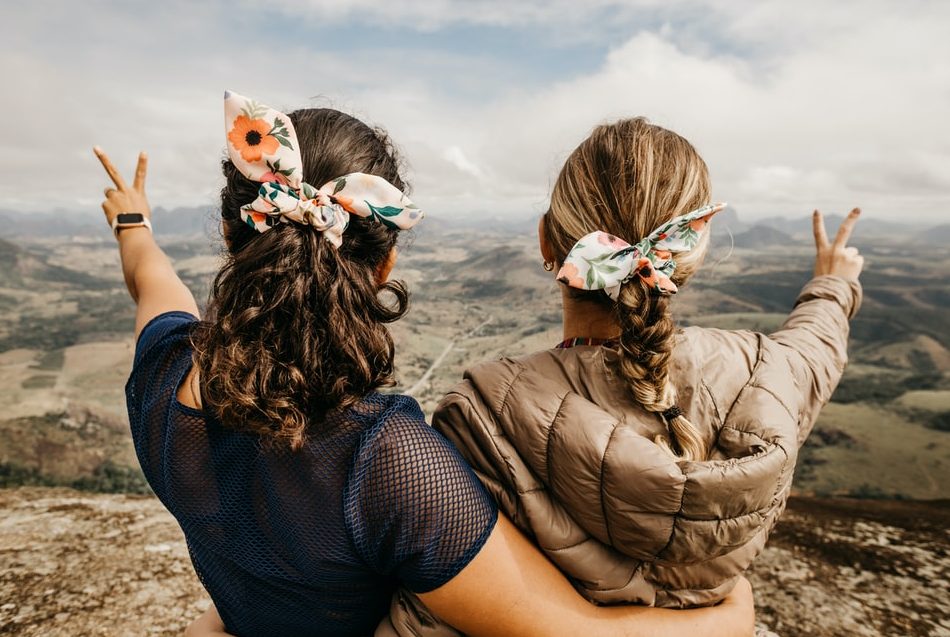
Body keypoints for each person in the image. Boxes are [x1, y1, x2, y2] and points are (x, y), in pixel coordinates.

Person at [95, 94, 755, 637]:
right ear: (384, 265)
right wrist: (730, 620)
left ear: (231, 232)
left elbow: (151, 280)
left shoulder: (163, 370)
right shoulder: (387, 464)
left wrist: (133, 221)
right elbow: (571, 630)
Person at [382, 118, 864, 635]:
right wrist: (833, 283)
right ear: (691, 253)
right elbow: (815, 347)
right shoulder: (764, 372)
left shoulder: (481, 409)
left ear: (548, 243)